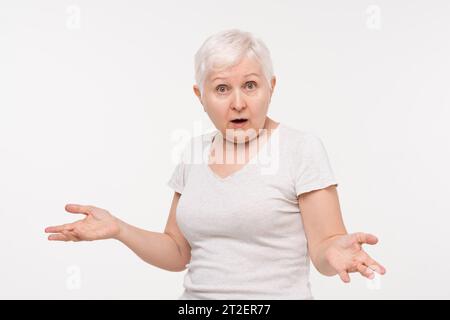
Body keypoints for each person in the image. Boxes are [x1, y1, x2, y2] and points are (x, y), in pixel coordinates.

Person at [45, 29, 386, 299]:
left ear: (271, 87)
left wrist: (335, 253)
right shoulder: (194, 151)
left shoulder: (301, 148)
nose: (238, 102)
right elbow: (178, 252)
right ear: (200, 96)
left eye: (250, 85)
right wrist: (119, 229)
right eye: (222, 89)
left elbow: (325, 246)